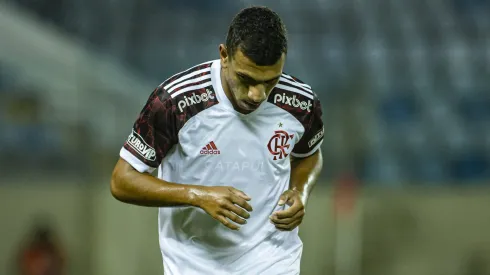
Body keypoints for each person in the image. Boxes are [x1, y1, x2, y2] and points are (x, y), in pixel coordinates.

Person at [111, 6, 324, 275]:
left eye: (270, 82)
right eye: (246, 79)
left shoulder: (301, 103)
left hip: (273, 259)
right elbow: (122, 180)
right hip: (194, 263)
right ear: (224, 55)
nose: (257, 95)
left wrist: (299, 191)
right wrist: (197, 195)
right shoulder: (175, 102)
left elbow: (310, 155)